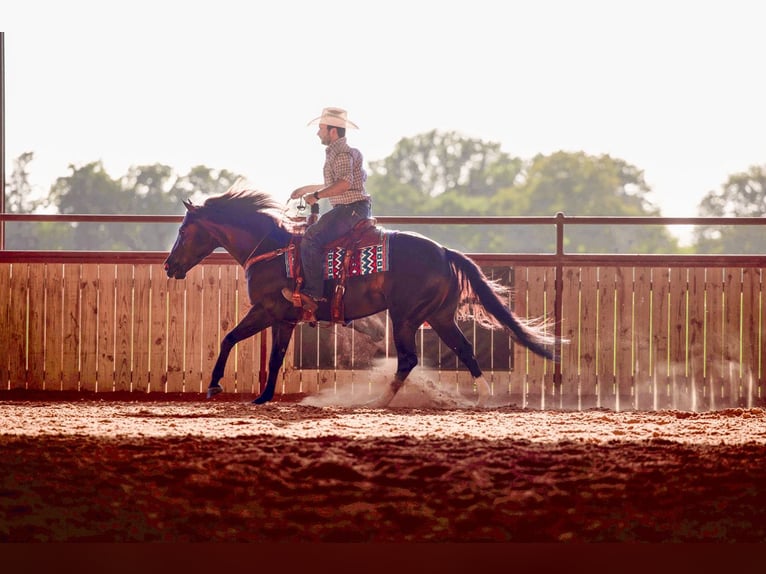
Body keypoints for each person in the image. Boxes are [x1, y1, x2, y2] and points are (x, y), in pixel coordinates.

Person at [282, 107, 372, 314]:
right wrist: (306, 190)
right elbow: (334, 183)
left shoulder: (341, 153)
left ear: (333, 131)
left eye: (321, 128)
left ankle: (314, 294)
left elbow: (343, 184)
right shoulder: (344, 152)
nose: (318, 133)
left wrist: (316, 196)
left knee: (311, 237)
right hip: (354, 208)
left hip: (351, 209)